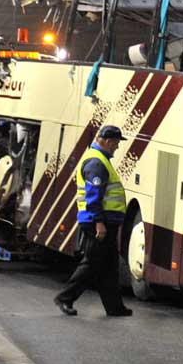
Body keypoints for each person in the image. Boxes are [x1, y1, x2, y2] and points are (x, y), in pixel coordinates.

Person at [54, 125, 132, 317]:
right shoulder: (96, 163)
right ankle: (65, 298)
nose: (116, 147)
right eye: (115, 143)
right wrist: (99, 223)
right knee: (92, 264)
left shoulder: (100, 160)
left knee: (109, 266)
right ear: (106, 141)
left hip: (104, 222)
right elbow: (93, 197)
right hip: (98, 223)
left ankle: (114, 307)